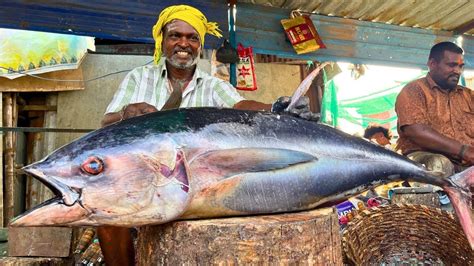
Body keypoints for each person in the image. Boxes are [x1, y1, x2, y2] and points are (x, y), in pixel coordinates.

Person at [96, 5, 318, 265]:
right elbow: (105, 122)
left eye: (192, 38)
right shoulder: (139, 78)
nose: (183, 43)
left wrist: (276, 107)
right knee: (107, 218)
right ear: (162, 41)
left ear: (200, 45)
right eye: (175, 36)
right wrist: (126, 112)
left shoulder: (213, 85)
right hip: (148, 180)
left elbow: (240, 106)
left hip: (199, 181)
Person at [395, 41, 474, 177]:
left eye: (460, 66)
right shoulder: (414, 90)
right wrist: (463, 150)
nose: (457, 71)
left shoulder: (469, 95)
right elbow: (417, 131)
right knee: (439, 163)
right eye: (451, 65)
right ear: (432, 64)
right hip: (425, 158)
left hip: (467, 162)